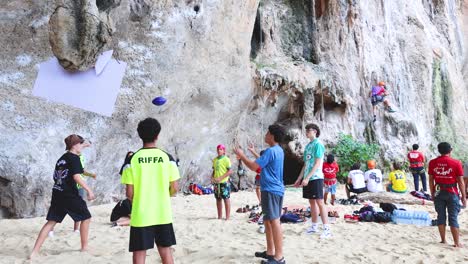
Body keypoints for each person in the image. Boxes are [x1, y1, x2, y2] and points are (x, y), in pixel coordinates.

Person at [121, 118, 180, 264]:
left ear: (140, 135)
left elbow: (129, 194)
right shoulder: (167, 158)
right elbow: (174, 188)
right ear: (157, 135)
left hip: (141, 214)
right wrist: (164, 197)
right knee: (166, 252)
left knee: (139, 254)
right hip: (162, 213)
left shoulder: (132, 160)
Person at [30, 134, 95, 259]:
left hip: (57, 192)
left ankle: (34, 252)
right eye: (81, 144)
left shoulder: (62, 158)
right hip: (69, 194)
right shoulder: (74, 158)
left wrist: (84, 146)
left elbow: (55, 177)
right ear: (75, 145)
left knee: (50, 222)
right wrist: (89, 190)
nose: (82, 146)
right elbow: (76, 176)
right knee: (86, 217)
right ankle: (84, 247)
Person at [234, 124, 286, 264]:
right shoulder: (278, 150)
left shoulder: (271, 151)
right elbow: (262, 164)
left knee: (274, 221)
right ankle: (270, 252)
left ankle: (279, 257)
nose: (266, 135)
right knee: (268, 221)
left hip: (271, 190)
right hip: (274, 189)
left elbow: (253, 167)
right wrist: (250, 153)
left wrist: (242, 155)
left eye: (268, 133)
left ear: (273, 136)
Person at [294, 124, 331, 238]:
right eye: (306, 130)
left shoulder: (318, 144)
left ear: (314, 131)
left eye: (308, 130)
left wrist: (308, 178)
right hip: (308, 178)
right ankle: (314, 226)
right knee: (311, 202)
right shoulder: (308, 146)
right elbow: (306, 164)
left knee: (320, 202)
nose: (306, 132)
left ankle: (327, 229)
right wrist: (299, 179)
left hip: (316, 178)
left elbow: (317, 163)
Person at [428, 142, 466, 248]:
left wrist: (432, 193)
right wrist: (463, 196)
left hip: (438, 191)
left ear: (439, 150)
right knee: (453, 217)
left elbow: (431, 180)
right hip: (452, 192)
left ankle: (443, 240)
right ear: (450, 150)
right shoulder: (456, 162)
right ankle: (456, 243)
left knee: (441, 216)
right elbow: (460, 181)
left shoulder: (432, 162)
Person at [211, 144, 233, 220]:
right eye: (218, 149)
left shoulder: (226, 159)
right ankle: (219, 216)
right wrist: (212, 177)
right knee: (218, 199)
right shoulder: (214, 160)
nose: (219, 150)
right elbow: (214, 170)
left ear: (224, 151)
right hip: (216, 183)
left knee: (226, 199)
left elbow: (230, 171)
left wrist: (221, 178)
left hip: (224, 182)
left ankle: (227, 217)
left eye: (220, 149)